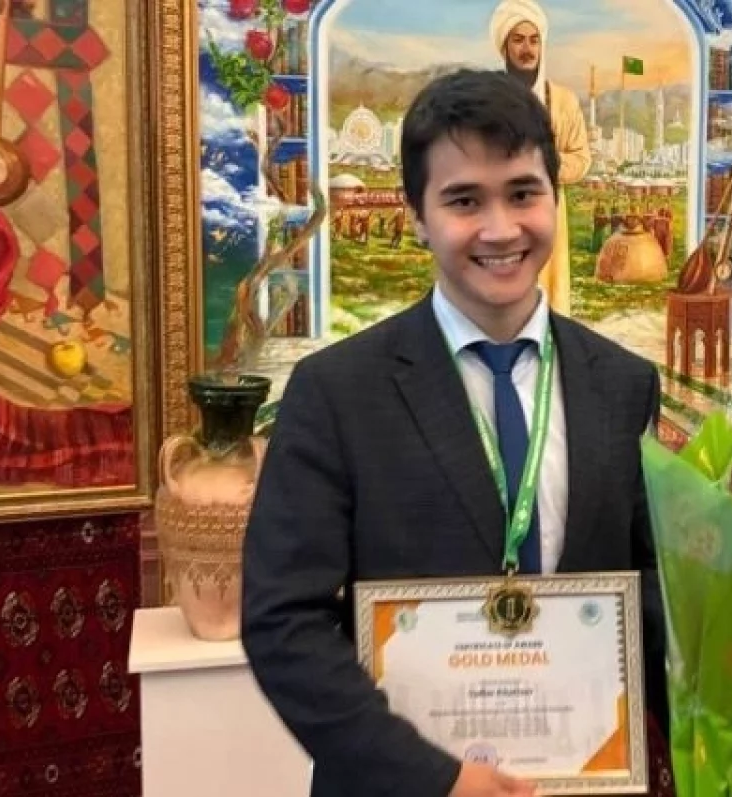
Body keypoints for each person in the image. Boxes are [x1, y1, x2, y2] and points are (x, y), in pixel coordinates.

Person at [241, 69, 667, 797]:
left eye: (523, 193)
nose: (501, 229)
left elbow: (651, 588)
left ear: (556, 197)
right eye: (465, 200)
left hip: (581, 777)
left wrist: (710, 682)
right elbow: (284, 620)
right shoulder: (337, 393)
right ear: (416, 215)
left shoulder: (623, 385)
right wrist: (434, 779)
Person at [489, 0, 590, 315]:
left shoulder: (563, 101)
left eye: (534, 40)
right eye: (518, 40)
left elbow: (581, 159)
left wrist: (542, 162)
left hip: (547, 216)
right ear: (504, 46)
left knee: (548, 303)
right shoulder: (485, 98)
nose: (527, 49)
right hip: (497, 213)